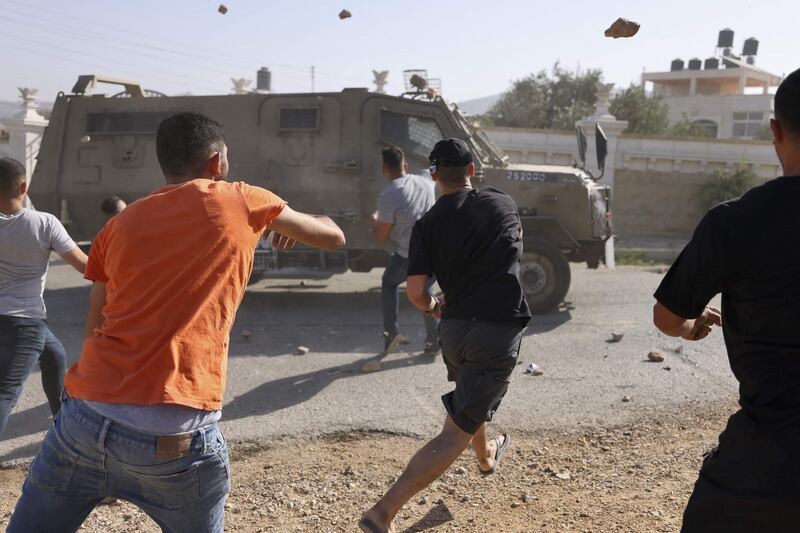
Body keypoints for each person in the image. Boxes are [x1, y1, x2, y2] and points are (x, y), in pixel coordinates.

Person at [7, 112, 345, 532]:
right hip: (175, 438)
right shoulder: (244, 200)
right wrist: (277, 218)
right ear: (217, 161)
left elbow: (95, 328)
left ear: (163, 162)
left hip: (83, 421)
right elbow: (333, 237)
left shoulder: (118, 226)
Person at [653, 68, 800, 533]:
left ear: (775, 130)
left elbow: (667, 316)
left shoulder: (736, 222)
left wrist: (690, 326)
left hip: (768, 463)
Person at [360, 139, 530, 533]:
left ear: (434, 175)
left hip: (453, 331)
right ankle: (381, 513)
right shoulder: (502, 202)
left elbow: (418, 294)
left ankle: (486, 455)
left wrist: (438, 308)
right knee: (454, 431)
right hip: (496, 330)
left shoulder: (426, 225)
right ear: (472, 170)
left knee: (468, 401)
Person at [0, 157, 87, 438]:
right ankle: (65, 427)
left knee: (54, 355)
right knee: (6, 393)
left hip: (11, 319)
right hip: (25, 321)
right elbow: (85, 266)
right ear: (23, 186)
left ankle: (62, 424)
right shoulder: (44, 223)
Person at [373, 146, 438, 355]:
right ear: (406, 166)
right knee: (424, 291)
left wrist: (375, 220)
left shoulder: (388, 194)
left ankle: (391, 335)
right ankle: (434, 341)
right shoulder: (425, 178)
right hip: (436, 254)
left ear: (384, 169)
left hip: (409, 257)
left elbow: (381, 236)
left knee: (389, 283)